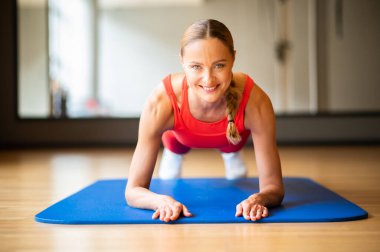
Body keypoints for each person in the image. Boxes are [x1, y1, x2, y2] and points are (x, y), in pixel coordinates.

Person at [125, 19, 284, 222]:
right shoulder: (160, 102)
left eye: (219, 65)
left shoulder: (256, 102)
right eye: (196, 67)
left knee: (232, 147)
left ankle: (231, 154)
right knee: (174, 147)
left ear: (233, 59)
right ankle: (174, 153)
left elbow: (275, 188)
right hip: (179, 137)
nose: (208, 79)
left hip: (232, 136)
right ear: (182, 61)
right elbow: (133, 191)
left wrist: (259, 198)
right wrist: (160, 201)